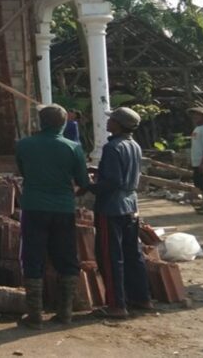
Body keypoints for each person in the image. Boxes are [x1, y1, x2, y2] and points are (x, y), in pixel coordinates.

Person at [15, 104, 89, 329]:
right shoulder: (73, 147)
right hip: (63, 209)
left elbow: (23, 172)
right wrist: (70, 194)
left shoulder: (24, 145)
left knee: (33, 257)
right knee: (66, 257)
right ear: (64, 123)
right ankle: (65, 312)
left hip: (34, 207)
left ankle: (35, 315)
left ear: (40, 122)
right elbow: (84, 183)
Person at [86, 107, 153, 319]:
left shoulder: (112, 147)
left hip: (111, 207)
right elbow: (124, 174)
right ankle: (141, 298)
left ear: (118, 124)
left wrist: (88, 185)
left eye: (111, 119)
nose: (108, 122)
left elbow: (112, 181)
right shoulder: (134, 145)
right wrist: (99, 172)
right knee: (132, 254)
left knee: (110, 256)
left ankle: (116, 305)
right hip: (130, 205)